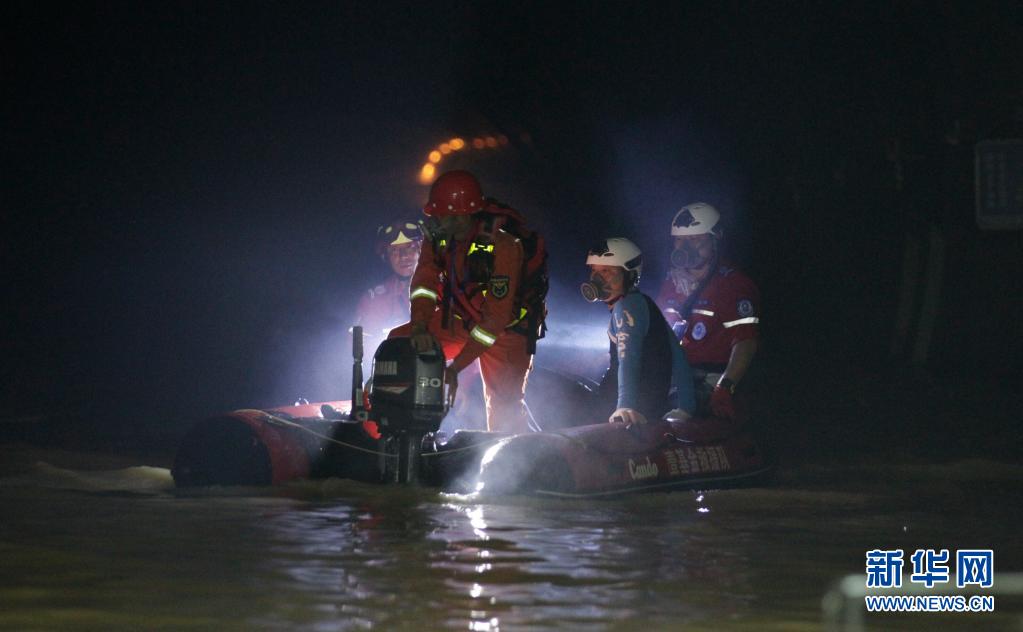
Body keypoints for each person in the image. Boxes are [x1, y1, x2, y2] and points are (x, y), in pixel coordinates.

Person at [389, 170, 548, 434]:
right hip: (462, 320)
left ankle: (520, 455)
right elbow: (424, 286)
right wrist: (418, 326)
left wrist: (456, 368)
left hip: (508, 334)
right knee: (399, 345)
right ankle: (395, 432)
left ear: (462, 216)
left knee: (503, 408)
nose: (435, 221)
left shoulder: (504, 245)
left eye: (441, 215)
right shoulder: (437, 239)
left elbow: (495, 320)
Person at [655, 202, 760, 420]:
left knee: (676, 412)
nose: (685, 247)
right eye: (679, 240)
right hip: (676, 373)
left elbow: (746, 341)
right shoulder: (671, 282)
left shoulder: (733, 284)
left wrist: (725, 386)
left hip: (710, 376)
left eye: (694, 239)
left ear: (715, 239)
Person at [582, 237, 695, 425]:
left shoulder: (625, 307)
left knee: (543, 380)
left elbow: (629, 358)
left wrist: (625, 407)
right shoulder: (644, 303)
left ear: (630, 275)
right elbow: (678, 356)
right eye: (594, 270)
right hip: (647, 407)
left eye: (607, 271)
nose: (597, 278)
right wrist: (686, 408)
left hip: (616, 410)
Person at [352, 218, 424, 348]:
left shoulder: (445, 289)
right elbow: (359, 347)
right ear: (386, 257)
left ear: (422, 250)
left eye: (409, 247)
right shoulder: (374, 300)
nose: (403, 256)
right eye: (394, 250)